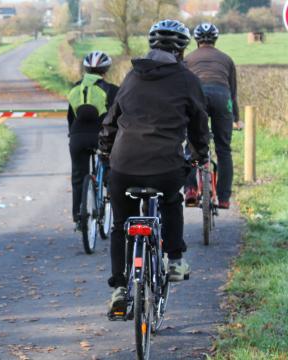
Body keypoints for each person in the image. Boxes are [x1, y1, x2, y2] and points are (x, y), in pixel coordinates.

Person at [98, 20, 210, 314]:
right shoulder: (187, 80)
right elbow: (199, 123)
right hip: (165, 166)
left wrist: (106, 153)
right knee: (173, 199)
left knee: (122, 225)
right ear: (181, 50)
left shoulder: (132, 76)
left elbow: (111, 120)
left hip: (123, 165)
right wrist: (201, 154)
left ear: (151, 46)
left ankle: (120, 288)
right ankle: (174, 259)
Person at [184, 23, 239, 209]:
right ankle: (223, 198)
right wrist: (236, 119)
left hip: (197, 97)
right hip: (222, 98)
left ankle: (190, 190)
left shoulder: (188, 59)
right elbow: (232, 93)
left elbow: (181, 87)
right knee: (224, 149)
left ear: (196, 40)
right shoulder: (226, 59)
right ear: (215, 40)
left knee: (191, 144)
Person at [67, 51, 119, 230]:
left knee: (78, 177)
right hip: (101, 137)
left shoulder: (76, 88)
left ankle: (79, 217)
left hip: (77, 137)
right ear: (106, 70)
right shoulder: (112, 90)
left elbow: (70, 118)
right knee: (112, 171)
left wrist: (73, 137)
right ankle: (116, 212)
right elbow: (117, 118)